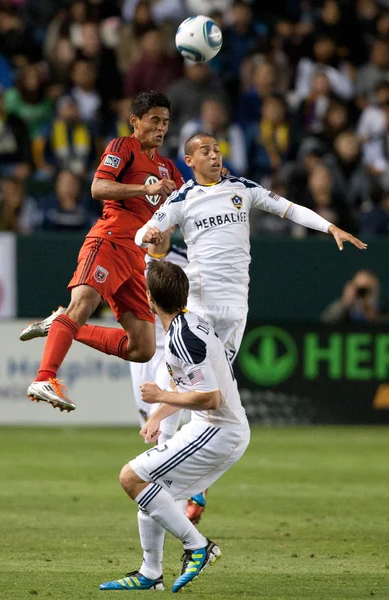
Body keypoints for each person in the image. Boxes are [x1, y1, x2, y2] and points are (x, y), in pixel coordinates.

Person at [135, 131, 367, 363]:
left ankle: (169, 395)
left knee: (216, 387)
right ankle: (164, 395)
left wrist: (329, 227)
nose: (215, 156)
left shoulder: (242, 188)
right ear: (190, 161)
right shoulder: (182, 198)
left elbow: (290, 209)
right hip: (201, 299)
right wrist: (149, 234)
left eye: (217, 150)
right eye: (206, 152)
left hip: (237, 301)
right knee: (200, 378)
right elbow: (140, 235)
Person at [25, 91, 184, 411]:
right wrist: (145, 188)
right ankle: (44, 377)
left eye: (165, 122)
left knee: (143, 347)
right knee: (83, 303)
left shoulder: (169, 168)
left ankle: (60, 322)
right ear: (135, 122)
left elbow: (183, 210)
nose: (161, 128)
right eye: (154, 120)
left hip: (135, 259)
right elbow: (98, 187)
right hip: (109, 241)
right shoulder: (123, 147)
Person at [99, 259, 250, 593]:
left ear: (150, 299)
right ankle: (150, 574)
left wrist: (159, 395)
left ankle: (198, 546)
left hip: (217, 431)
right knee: (151, 491)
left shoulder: (183, 339)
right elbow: (191, 390)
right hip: (214, 427)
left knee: (131, 477)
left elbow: (209, 398)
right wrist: (157, 415)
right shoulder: (187, 325)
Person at [129, 226, 188, 440]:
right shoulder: (130, 260)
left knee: (163, 425)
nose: (156, 227)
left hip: (171, 348)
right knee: (148, 428)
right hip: (139, 350)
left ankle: (166, 471)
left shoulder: (187, 261)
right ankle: (163, 470)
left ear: (173, 225)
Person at [320, 269, 389, 324]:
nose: (363, 293)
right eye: (360, 290)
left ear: (376, 290)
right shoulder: (344, 313)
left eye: (367, 290)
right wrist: (345, 303)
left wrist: (373, 314)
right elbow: (324, 326)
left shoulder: (384, 313)